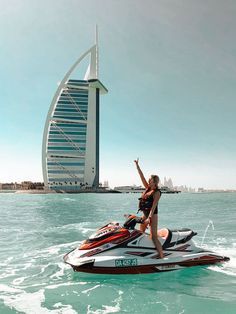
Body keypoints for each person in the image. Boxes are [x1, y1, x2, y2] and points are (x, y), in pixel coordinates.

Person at [134, 158, 164, 259]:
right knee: (140, 232)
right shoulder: (148, 188)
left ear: (155, 182)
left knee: (154, 237)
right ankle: (142, 251)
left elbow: (154, 206)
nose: (148, 181)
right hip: (145, 215)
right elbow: (141, 177)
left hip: (152, 215)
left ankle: (162, 256)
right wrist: (137, 166)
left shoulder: (157, 192)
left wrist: (150, 218)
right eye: (149, 180)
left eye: (150, 180)